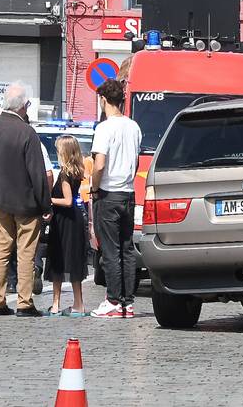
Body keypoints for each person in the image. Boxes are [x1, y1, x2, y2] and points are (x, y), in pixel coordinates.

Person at [0, 83, 51, 317]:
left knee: (1, 251)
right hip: (25, 202)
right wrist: (46, 204)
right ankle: (24, 302)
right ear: (24, 106)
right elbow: (37, 172)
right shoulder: (27, 133)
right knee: (25, 253)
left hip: (0, 200)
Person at [89, 79, 142, 319]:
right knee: (127, 249)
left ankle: (112, 300)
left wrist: (94, 186)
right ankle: (128, 303)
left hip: (108, 194)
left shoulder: (104, 128)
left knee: (110, 250)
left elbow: (99, 164)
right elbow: (137, 161)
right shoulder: (134, 127)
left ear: (103, 100)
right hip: (128, 194)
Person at [45, 136, 89, 316]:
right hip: (73, 220)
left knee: (58, 259)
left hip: (64, 221)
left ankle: (56, 304)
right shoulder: (77, 171)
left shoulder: (64, 173)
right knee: (74, 260)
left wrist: (48, 200)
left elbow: (68, 200)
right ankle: (78, 303)